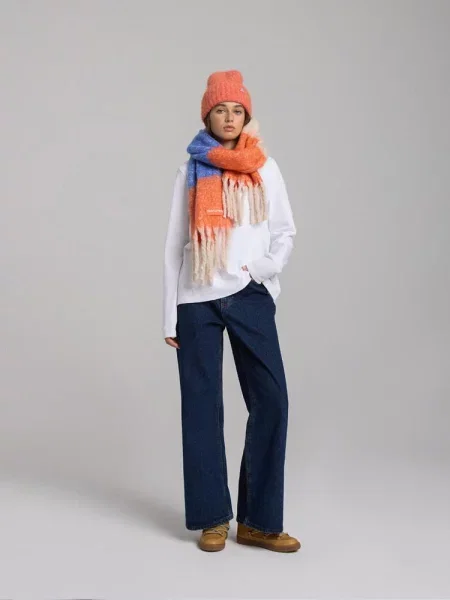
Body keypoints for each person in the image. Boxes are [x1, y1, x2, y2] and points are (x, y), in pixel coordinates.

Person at [163, 70, 300, 553]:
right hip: (196, 298)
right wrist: (168, 314)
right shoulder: (189, 170)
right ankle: (212, 518)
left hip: (248, 293)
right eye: (220, 110)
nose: (228, 117)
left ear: (246, 115)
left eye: (236, 110)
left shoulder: (264, 167)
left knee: (272, 399)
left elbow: (285, 231)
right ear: (208, 115)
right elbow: (175, 245)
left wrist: (262, 269)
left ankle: (259, 521)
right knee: (201, 408)